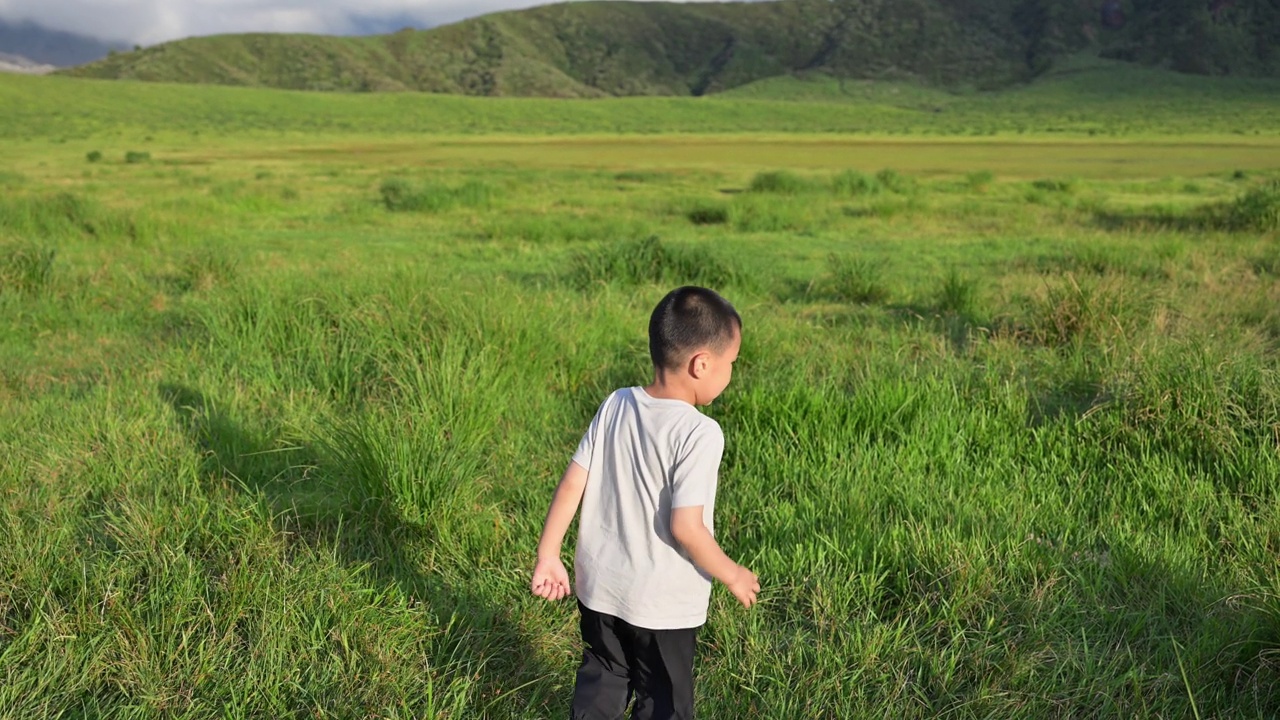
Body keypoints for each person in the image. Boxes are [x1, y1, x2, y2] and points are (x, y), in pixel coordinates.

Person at [531, 286, 760, 720]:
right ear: (702, 364)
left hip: (599, 591)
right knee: (663, 700)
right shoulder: (699, 432)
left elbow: (571, 484)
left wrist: (548, 554)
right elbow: (686, 528)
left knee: (603, 678)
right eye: (732, 363)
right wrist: (732, 574)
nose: (732, 372)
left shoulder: (616, 403)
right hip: (662, 605)